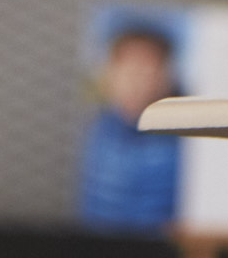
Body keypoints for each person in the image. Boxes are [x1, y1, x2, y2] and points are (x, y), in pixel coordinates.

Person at [77, 20, 183, 232]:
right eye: (127, 69)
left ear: (166, 76)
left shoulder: (184, 140)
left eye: (146, 70)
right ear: (110, 74)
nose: (136, 82)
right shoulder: (92, 132)